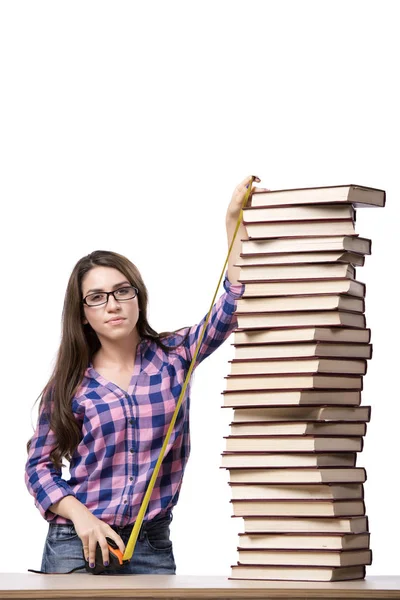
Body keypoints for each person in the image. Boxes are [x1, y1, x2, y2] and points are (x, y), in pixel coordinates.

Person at [25, 175, 266, 575]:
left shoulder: (175, 355)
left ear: (138, 295)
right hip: (76, 543)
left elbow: (232, 305)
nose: (113, 305)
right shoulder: (70, 383)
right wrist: (82, 518)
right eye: (97, 298)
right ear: (83, 314)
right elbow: (38, 468)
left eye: (123, 291)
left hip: (149, 543)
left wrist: (232, 224)